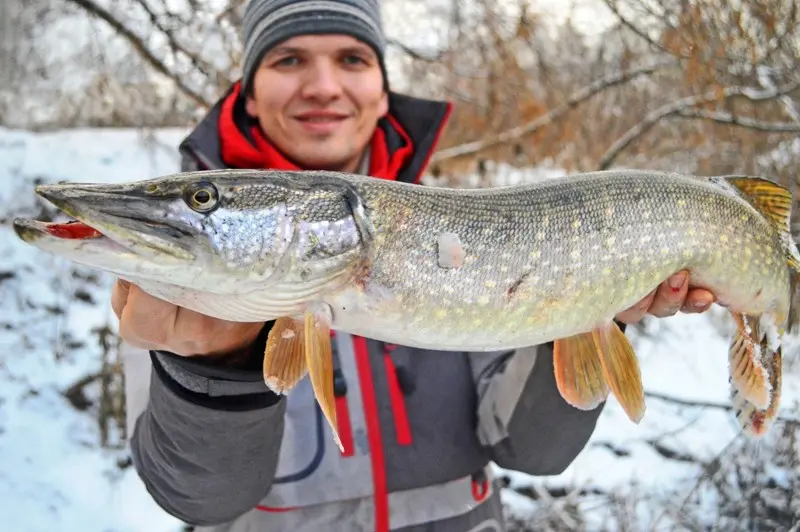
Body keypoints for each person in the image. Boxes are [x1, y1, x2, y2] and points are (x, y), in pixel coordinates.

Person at [115, 1, 716, 530]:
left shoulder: (464, 234)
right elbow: (195, 497)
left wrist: (595, 301)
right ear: (246, 90)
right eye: (288, 59)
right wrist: (213, 372)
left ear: (382, 90)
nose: (323, 86)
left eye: (352, 59)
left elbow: (531, 449)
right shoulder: (187, 257)